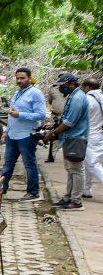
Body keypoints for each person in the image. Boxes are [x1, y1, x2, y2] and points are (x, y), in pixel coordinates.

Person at [44, 73, 91, 211]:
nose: (61, 89)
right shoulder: (73, 96)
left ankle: (76, 201)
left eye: (63, 86)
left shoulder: (78, 98)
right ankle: (68, 197)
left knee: (76, 170)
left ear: (71, 84)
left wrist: (53, 133)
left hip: (76, 137)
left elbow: (70, 122)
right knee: (71, 170)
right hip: (70, 137)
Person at [0, 67, 47, 200]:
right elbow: (11, 114)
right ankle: (2, 189)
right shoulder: (17, 93)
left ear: (29, 79)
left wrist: (20, 114)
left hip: (26, 135)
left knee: (29, 164)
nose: (19, 80)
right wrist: (7, 131)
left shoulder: (35, 93)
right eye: (17, 78)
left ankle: (33, 192)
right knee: (8, 164)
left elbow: (41, 114)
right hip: (12, 135)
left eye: (22, 78)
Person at [83, 78, 103, 199]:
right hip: (99, 135)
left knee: (93, 164)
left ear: (87, 87)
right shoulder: (101, 97)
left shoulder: (88, 99)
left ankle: (87, 188)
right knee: (88, 163)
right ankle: (86, 189)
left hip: (90, 135)